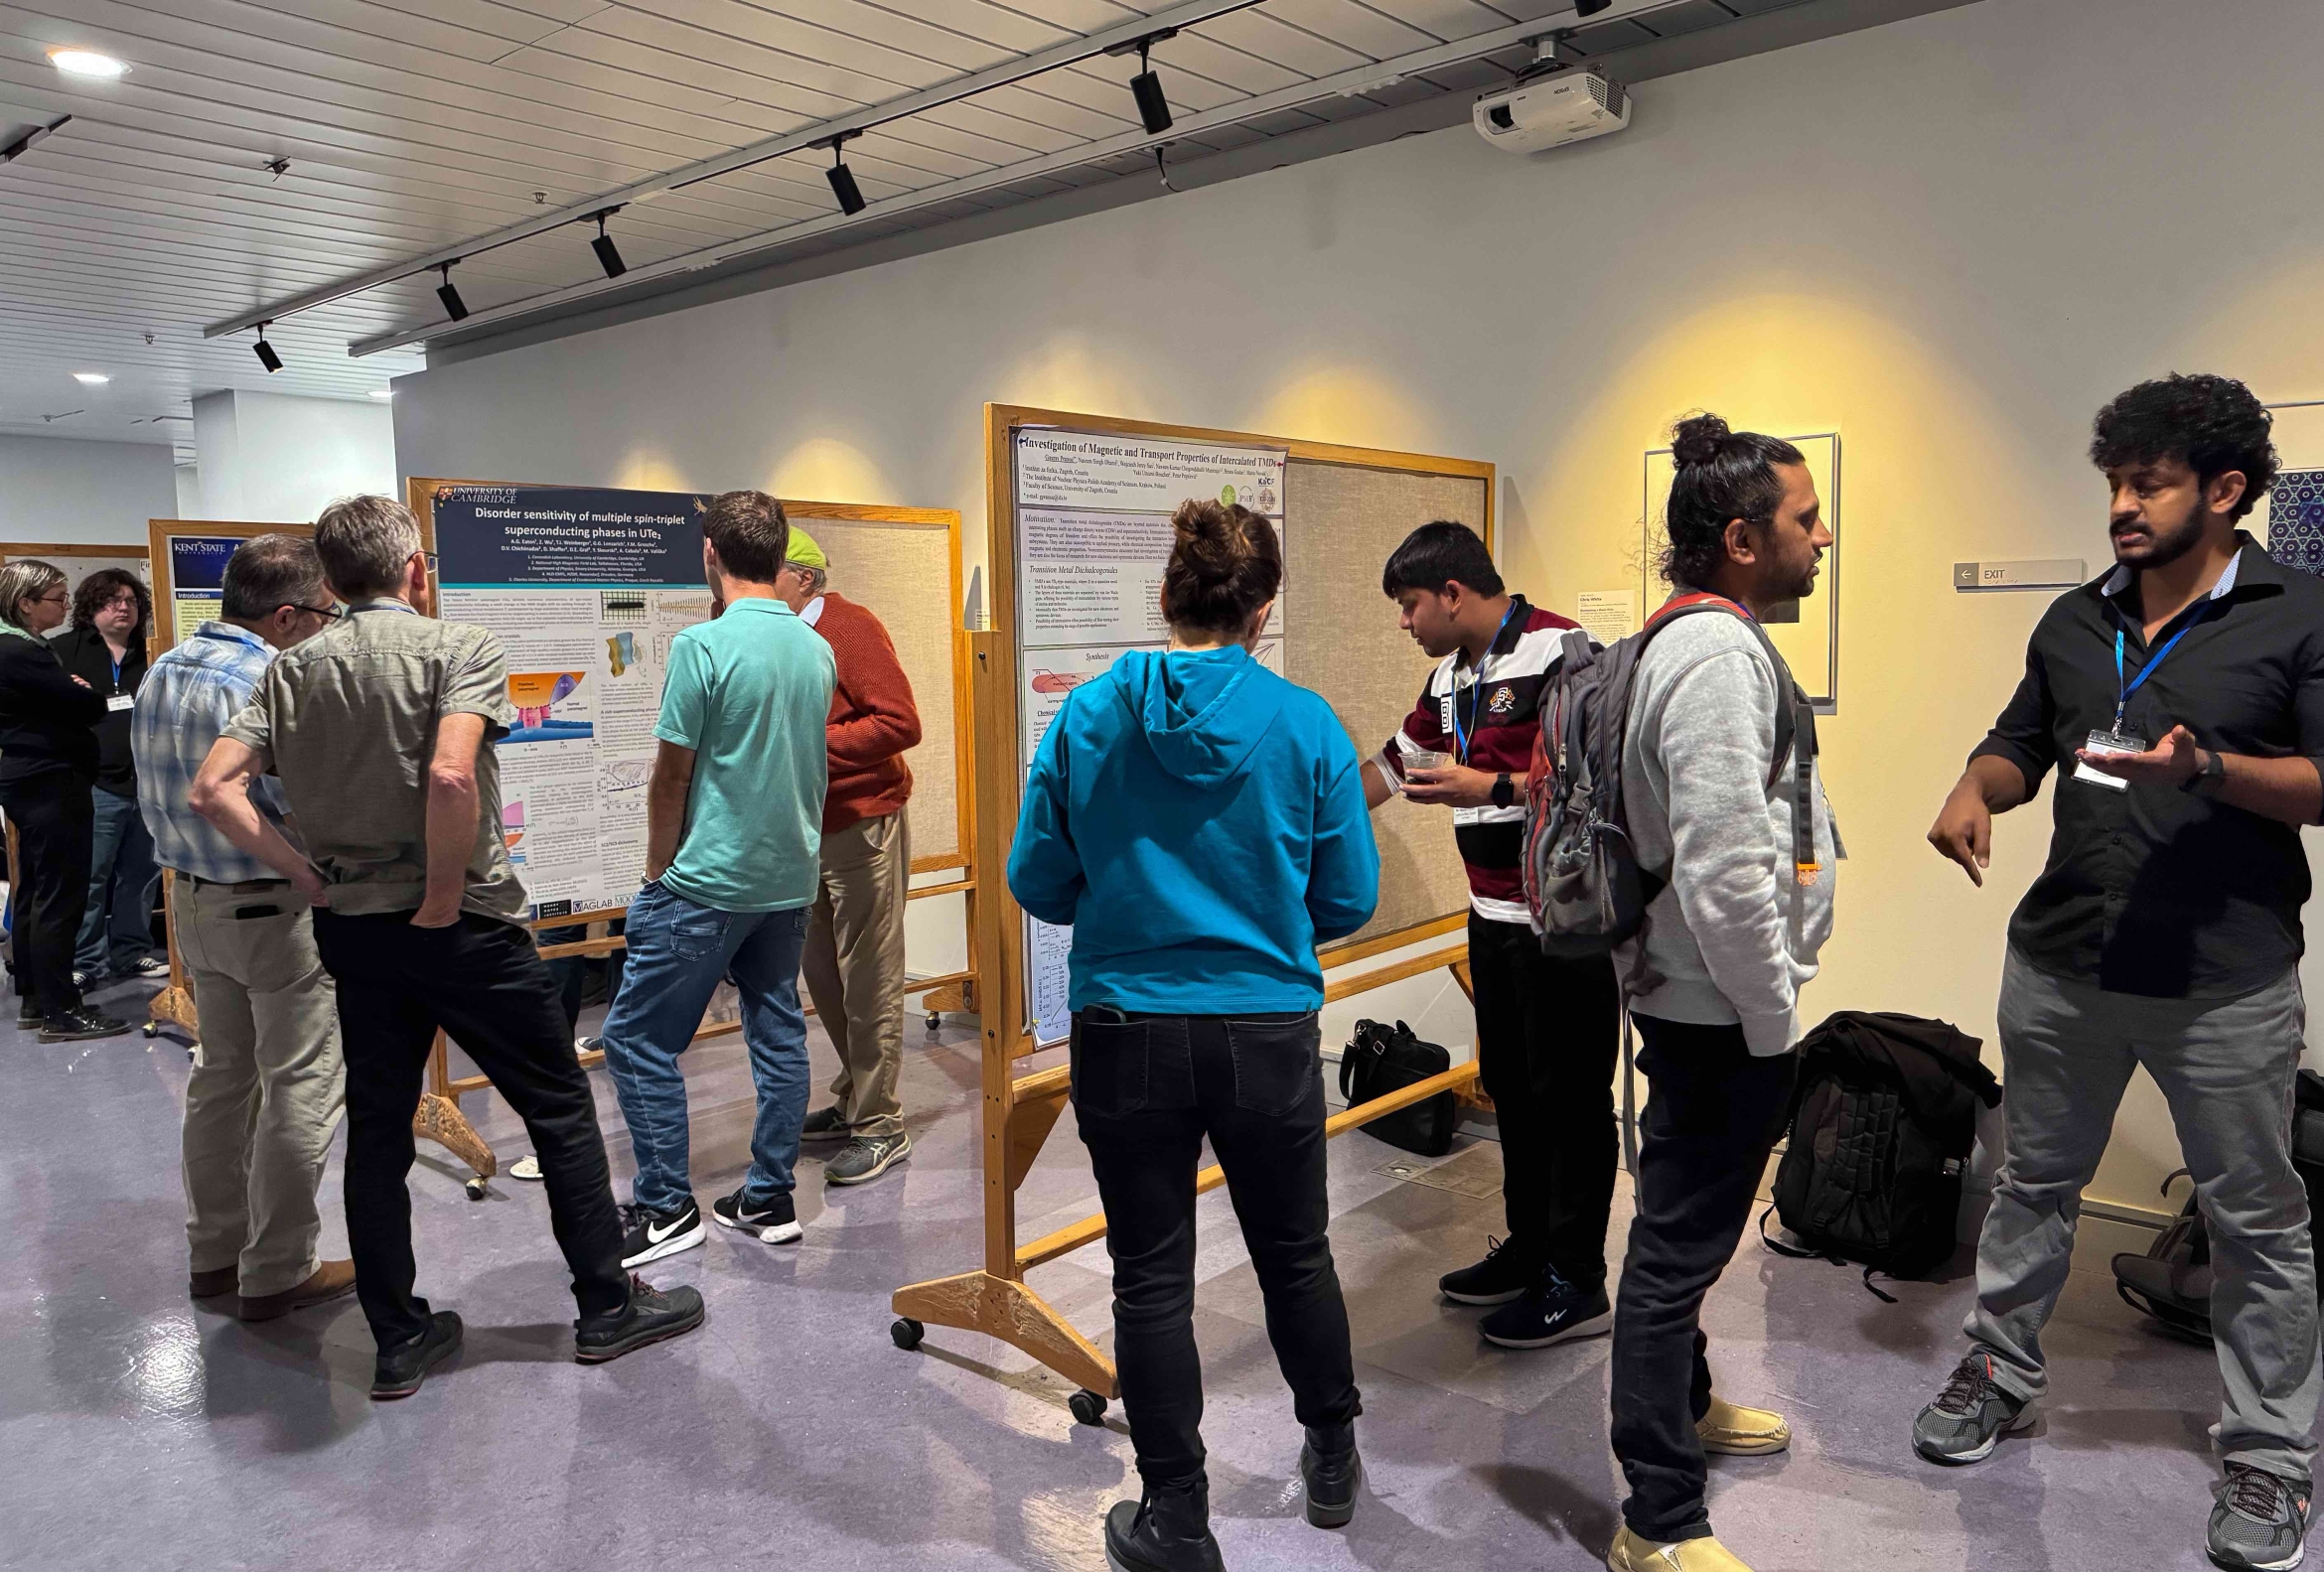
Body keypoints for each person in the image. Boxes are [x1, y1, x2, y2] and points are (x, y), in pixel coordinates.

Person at [1918, 374, 2324, 1572]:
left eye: (2147, 483)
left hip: (2228, 979)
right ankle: (2002, 1367)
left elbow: (2323, 784)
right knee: (2034, 1182)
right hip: (2061, 964)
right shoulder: (2072, 621)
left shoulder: (2298, 613)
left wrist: (2208, 769)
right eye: (2114, 482)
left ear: (2227, 488)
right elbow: (2018, 742)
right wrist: (1969, 787)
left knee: (2257, 1219)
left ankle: (2268, 1450)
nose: (2122, 506)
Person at [189, 495, 702, 1399]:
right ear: (414, 569)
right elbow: (453, 771)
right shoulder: (458, 647)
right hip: (461, 926)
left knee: (378, 1127)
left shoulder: (290, 670)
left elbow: (212, 789)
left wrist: (309, 877)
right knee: (557, 1108)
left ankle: (398, 1336)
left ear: (332, 581)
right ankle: (605, 1305)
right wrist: (436, 895)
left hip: (355, 930)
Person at [1010, 500, 1380, 1572]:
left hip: (1125, 1029)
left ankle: (1177, 1516)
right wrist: (1259, 913)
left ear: (1165, 596)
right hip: (1263, 1026)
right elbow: (1347, 893)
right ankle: (1330, 1452)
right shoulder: (1305, 723)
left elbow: (1041, 878)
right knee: (1296, 1252)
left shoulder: (1087, 714)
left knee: (1150, 1274)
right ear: (1262, 610)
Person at [1605, 413, 1837, 1572]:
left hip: (1696, 999)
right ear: (1743, 539)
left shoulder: (1693, 640)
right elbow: (1726, 865)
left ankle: (1685, 1403)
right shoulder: (1715, 659)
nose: (1823, 538)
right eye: (1805, 522)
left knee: (1682, 1240)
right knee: (1669, 1256)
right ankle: (1656, 1516)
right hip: (1716, 1012)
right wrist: (1773, 1019)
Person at [1360, 520, 1624, 1350]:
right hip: (1493, 918)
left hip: (1563, 926)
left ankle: (1577, 1280)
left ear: (1452, 593)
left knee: (1572, 1099)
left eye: (1409, 606)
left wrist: (1489, 783)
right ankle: (1531, 1249)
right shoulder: (1450, 678)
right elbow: (1395, 766)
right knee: (1511, 1085)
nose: (1404, 624)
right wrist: (1303, 809)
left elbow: (1597, 776)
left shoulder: (1561, 649)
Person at [597, 491, 836, 1267]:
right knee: (777, 1028)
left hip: (706, 881)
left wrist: (656, 871)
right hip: (787, 878)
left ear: (710, 554)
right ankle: (769, 1194)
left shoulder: (703, 648)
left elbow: (672, 777)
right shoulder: (815, 649)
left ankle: (666, 1207)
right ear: (780, 555)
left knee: (635, 1037)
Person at [135, 536, 353, 1321]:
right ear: (289, 614)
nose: (332, 627)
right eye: (327, 614)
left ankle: (215, 1253)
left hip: (192, 904)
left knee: (221, 1078)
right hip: (271, 906)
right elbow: (301, 803)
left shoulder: (164, 665)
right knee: (303, 1081)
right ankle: (280, 1265)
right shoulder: (271, 679)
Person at [774, 525, 924, 1187]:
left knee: (869, 974)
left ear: (804, 576)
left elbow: (899, 722)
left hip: (863, 823)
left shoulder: (849, 625)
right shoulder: (774, 637)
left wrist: (808, 743)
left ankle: (880, 1123)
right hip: (804, 828)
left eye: (769, 569)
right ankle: (854, 1095)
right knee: (824, 975)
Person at [0, 559, 131, 1043]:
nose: (66, 605)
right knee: (61, 897)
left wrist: (77, 693)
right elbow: (88, 704)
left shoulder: (22, 648)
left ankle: (37, 998)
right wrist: (84, 694)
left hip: (33, 780)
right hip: (51, 782)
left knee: (36, 891)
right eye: (58, 598)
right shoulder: (19, 652)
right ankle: (61, 1010)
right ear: (25, 604)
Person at [56, 570, 168, 988]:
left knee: (141, 875)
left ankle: (131, 951)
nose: (123, 608)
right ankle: (86, 960)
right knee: (92, 876)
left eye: (131, 601)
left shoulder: (154, 653)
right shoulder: (64, 650)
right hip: (94, 782)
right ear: (91, 607)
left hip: (147, 783)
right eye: (112, 600)